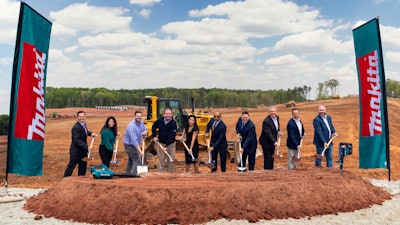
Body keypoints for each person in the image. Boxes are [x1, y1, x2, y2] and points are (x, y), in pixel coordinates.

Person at [64, 111, 97, 177]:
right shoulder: (76, 127)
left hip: (83, 151)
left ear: (85, 116)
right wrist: (86, 146)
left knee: (83, 167)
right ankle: (65, 179)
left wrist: (90, 134)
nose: (81, 118)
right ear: (77, 117)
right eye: (80, 116)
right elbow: (76, 140)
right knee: (71, 166)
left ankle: (81, 180)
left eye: (83, 116)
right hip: (76, 151)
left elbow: (85, 131)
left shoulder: (83, 124)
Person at [152, 108, 177, 173]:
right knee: (160, 160)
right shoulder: (159, 121)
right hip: (161, 143)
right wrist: (154, 136)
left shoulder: (173, 123)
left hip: (170, 145)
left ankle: (170, 175)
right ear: (164, 114)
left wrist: (166, 146)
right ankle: (160, 175)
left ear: (171, 114)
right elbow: (153, 127)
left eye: (169, 114)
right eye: (166, 114)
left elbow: (171, 136)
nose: (168, 115)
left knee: (170, 161)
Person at [123, 111, 147, 175]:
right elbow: (134, 141)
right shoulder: (131, 126)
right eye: (137, 116)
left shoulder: (141, 122)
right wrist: (140, 151)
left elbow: (145, 129)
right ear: (135, 116)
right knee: (137, 161)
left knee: (131, 160)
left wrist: (144, 132)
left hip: (134, 144)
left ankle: (128, 173)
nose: (139, 117)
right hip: (129, 145)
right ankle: (134, 175)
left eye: (140, 116)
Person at [259, 106, 282, 170]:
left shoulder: (277, 117)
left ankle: (271, 170)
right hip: (266, 142)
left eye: (274, 111)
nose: (273, 113)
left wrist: (279, 131)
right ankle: (267, 171)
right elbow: (268, 133)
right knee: (267, 157)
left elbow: (276, 127)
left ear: (276, 112)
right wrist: (275, 142)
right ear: (269, 112)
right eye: (271, 111)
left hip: (273, 141)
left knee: (272, 156)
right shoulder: (266, 121)